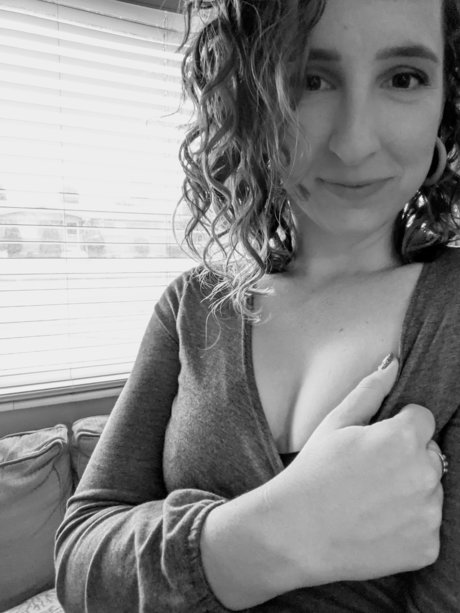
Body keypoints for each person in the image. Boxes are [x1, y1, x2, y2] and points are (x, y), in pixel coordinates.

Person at [54, 0, 460, 611]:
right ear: (251, 100)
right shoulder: (192, 305)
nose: (354, 143)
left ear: (445, 102)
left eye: (404, 78)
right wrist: (275, 532)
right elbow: (80, 559)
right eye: (309, 80)